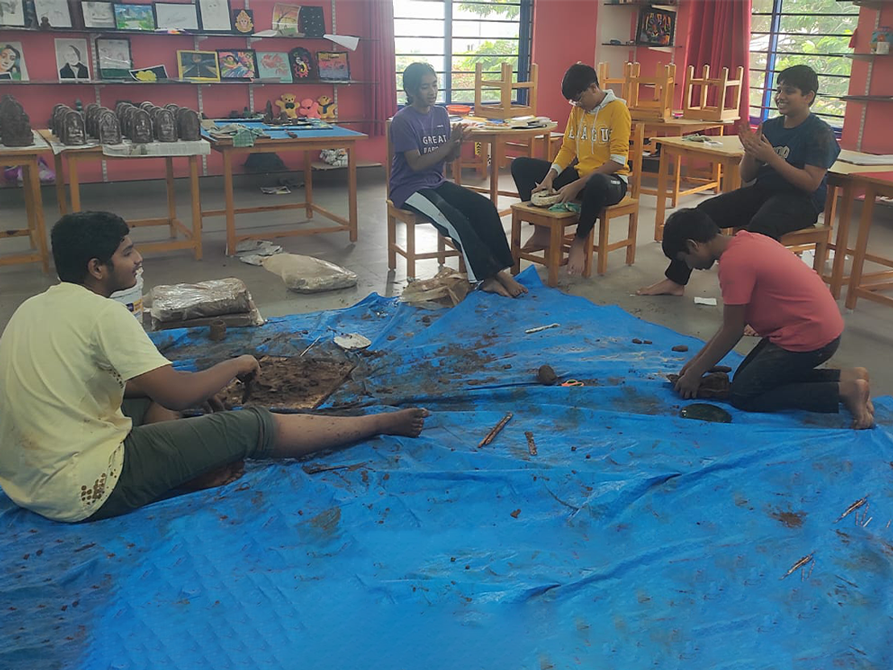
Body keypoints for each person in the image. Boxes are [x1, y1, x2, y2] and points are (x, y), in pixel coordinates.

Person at [0, 212, 428, 523]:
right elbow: (178, 394)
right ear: (97, 268)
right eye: (128, 252)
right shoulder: (104, 314)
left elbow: (106, 385)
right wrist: (235, 364)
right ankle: (377, 423)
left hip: (27, 480)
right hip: (83, 491)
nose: (139, 259)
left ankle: (181, 468)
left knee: (156, 393)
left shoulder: (33, 307)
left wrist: (187, 387)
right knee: (248, 426)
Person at [638, 64, 841, 296]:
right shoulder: (770, 127)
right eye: (779, 90)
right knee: (699, 215)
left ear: (808, 96)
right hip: (764, 192)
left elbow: (810, 183)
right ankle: (676, 281)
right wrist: (750, 152)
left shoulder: (819, 133)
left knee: (761, 227)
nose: (780, 97)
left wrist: (772, 158)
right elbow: (747, 176)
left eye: (789, 91)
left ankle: (757, 294)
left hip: (801, 200)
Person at [661, 208, 873, 429]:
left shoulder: (734, 264)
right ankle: (848, 376)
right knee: (747, 380)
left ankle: (844, 391)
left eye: (685, 259)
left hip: (810, 337)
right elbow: (732, 323)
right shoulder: (746, 240)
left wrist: (695, 373)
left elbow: (733, 330)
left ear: (693, 245)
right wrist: (696, 364)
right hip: (817, 327)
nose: (689, 266)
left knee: (744, 395)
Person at [389, 62, 527, 299]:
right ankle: (485, 278)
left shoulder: (441, 114)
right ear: (410, 91)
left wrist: (457, 143)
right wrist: (448, 144)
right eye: (425, 87)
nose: (432, 91)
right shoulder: (402, 120)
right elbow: (416, 164)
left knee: (484, 207)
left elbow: (449, 157)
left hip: (435, 181)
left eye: (434, 85)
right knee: (453, 217)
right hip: (408, 188)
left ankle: (500, 270)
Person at [510, 63, 631, 275]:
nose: (578, 105)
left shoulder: (618, 109)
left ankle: (579, 242)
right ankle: (542, 230)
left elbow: (618, 161)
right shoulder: (578, 111)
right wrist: (550, 176)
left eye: (579, 99)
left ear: (593, 88)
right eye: (574, 102)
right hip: (581, 177)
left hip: (611, 182)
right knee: (520, 165)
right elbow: (568, 148)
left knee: (596, 182)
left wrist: (576, 185)